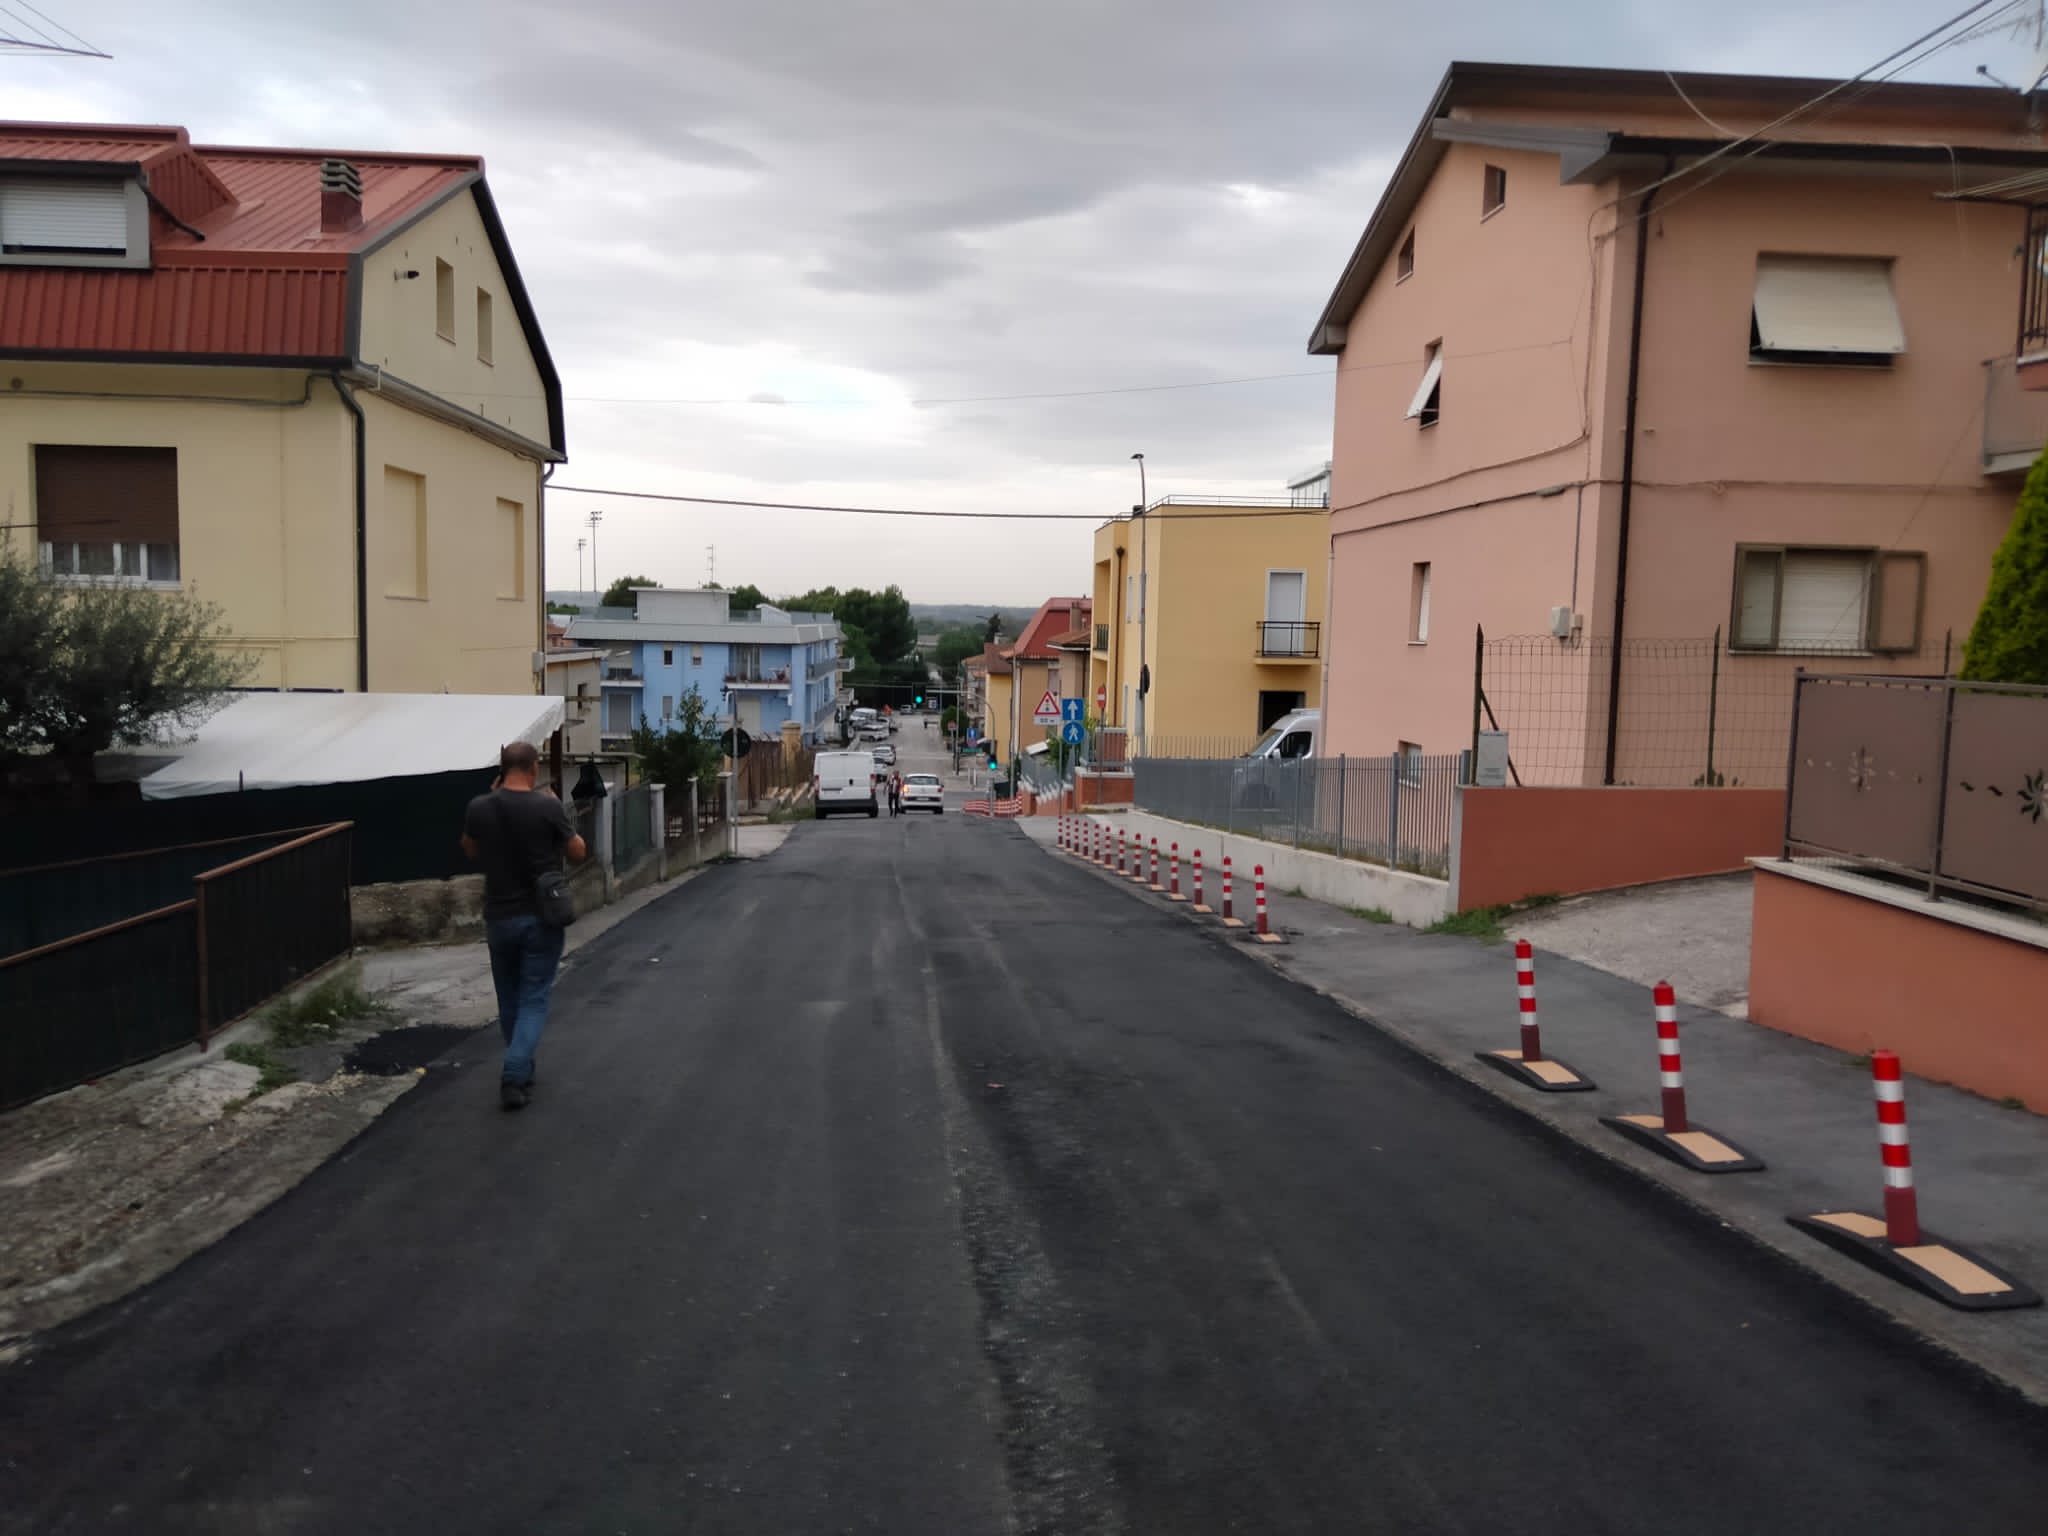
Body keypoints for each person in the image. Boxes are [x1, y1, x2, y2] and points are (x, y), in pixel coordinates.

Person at [460, 741, 588, 1110]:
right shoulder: (547, 806)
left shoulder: (479, 807)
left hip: (499, 917)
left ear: (503, 768)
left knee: (509, 997)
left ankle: (523, 1066)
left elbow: (469, 849)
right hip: (540, 917)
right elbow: (578, 851)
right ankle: (515, 1073)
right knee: (534, 996)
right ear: (534, 767)